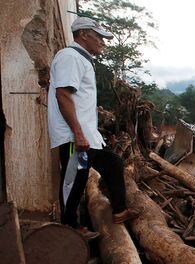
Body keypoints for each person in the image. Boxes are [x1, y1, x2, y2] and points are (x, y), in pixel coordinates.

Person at [47, 17, 138, 239]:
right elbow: (63, 95)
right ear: (83, 34)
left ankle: (118, 211)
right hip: (73, 136)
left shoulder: (81, 59)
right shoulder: (70, 57)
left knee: (113, 164)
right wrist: (77, 133)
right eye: (98, 37)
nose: (102, 42)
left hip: (85, 134)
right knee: (73, 179)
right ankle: (68, 227)